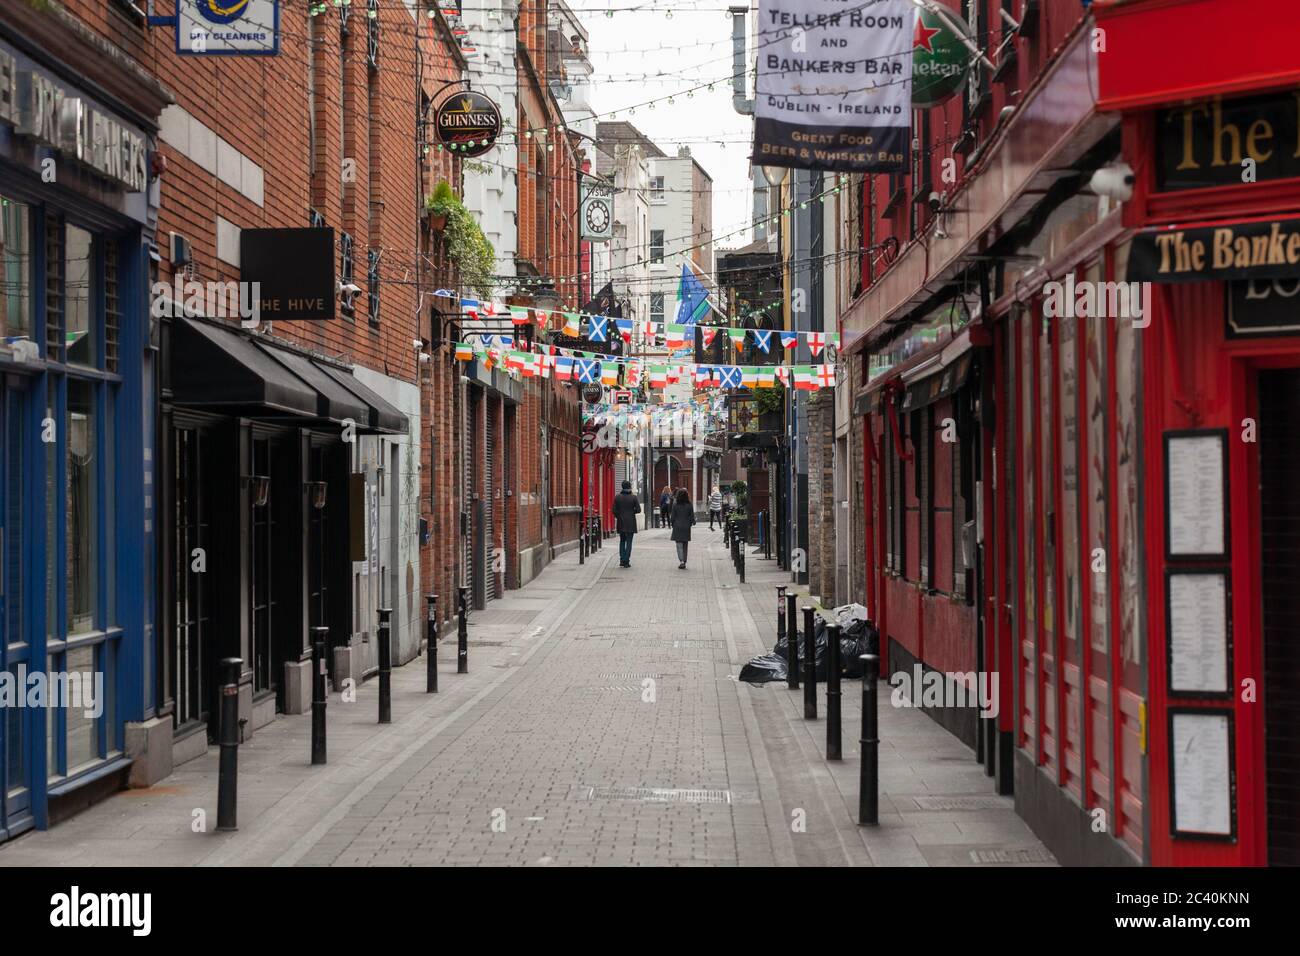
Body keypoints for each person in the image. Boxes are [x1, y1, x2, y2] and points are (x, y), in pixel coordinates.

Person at [613, 479, 641, 568]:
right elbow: (638, 509)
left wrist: (619, 516)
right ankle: (626, 561)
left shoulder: (617, 497)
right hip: (631, 522)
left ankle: (622, 559)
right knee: (629, 542)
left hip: (621, 522)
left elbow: (614, 510)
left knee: (622, 541)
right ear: (629, 487)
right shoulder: (634, 497)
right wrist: (632, 512)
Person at [670, 488, 695, 569]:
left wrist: (672, 523)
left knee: (679, 545)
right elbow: (692, 516)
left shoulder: (675, 505)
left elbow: (672, 516)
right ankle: (684, 560)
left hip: (677, 526)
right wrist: (692, 523)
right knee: (685, 545)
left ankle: (681, 561)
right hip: (686, 527)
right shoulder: (689, 505)